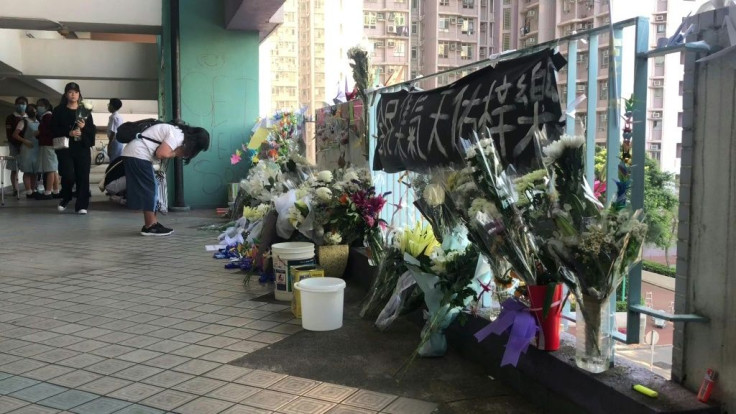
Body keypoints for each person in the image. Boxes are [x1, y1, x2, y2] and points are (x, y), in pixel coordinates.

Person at [121, 121, 209, 236]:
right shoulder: (178, 135)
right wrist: (175, 152)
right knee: (150, 190)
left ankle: (152, 223)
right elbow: (161, 153)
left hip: (136, 154)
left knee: (151, 189)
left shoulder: (177, 133)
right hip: (138, 155)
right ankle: (150, 226)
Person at [51, 82, 95, 214]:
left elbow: (92, 130)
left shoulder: (85, 111)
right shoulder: (59, 110)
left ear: (79, 94)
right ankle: (66, 196)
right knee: (68, 174)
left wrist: (83, 128)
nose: (73, 95)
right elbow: (53, 129)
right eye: (70, 92)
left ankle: (82, 205)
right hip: (65, 148)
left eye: (76, 92)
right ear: (66, 94)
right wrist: (68, 132)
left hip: (82, 147)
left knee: (83, 175)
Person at [36, 98, 61, 199]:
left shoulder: (47, 117)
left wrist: (39, 134)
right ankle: (55, 190)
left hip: (48, 145)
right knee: (53, 169)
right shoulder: (48, 117)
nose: (38, 107)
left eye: (40, 105)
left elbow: (48, 131)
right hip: (51, 145)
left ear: (46, 107)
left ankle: (48, 192)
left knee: (50, 169)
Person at [4, 96, 28, 196]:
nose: (21, 105)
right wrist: (16, 145)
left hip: (27, 146)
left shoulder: (28, 117)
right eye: (19, 103)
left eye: (23, 103)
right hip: (14, 145)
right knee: (14, 168)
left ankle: (29, 188)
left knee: (27, 168)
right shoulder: (10, 118)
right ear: (15, 105)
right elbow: (10, 134)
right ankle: (15, 188)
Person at [18, 104, 40, 198]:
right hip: (27, 148)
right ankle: (28, 191)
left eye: (34, 110)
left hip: (36, 148)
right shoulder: (23, 122)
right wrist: (25, 141)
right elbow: (15, 135)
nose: (33, 111)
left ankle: (33, 189)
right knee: (27, 170)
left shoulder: (38, 121)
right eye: (30, 110)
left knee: (35, 171)